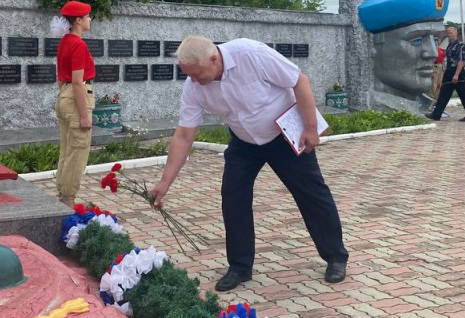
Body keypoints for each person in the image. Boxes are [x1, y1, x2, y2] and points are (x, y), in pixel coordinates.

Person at [149, 36, 348, 292]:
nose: (195, 80)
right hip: (244, 143)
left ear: (214, 59)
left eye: (198, 74)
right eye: (190, 76)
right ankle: (240, 267)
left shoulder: (250, 53)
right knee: (233, 198)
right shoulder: (193, 85)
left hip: (284, 136)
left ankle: (335, 257)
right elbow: (184, 135)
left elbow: (299, 80)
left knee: (311, 193)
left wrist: (310, 128)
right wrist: (164, 183)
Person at [53, 0, 96, 207]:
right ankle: (68, 201)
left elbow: (62, 78)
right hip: (76, 96)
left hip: (64, 95)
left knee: (67, 150)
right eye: (87, 16)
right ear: (78, 20)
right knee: (77, 152)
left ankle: (63, 196)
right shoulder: (78, 44)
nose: (90, 19)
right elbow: (78, 82)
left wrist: (66, 96)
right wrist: (84, 114)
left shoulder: (65, 41)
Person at [426, 25, 465, 122]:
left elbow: (461, 61)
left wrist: (456, 75)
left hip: (457, 71)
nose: (449, 35)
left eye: (451, 33)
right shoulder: (449, 45)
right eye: (448, 33)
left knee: (463, 94)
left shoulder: (460, 45)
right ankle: (436, 114)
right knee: (444, 93)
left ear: (456, 33)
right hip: (449, 71)